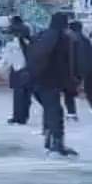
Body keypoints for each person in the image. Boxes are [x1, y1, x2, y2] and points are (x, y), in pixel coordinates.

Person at [28, 11, 79, 156]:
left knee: (51, 109)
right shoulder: (61, 38)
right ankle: (57, 144)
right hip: (48, 79)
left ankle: (50, 139)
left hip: (37, 79)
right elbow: (64, 63)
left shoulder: (43, 35)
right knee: (55, 111)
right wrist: (70, 83)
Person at [0, 17, 35, 126]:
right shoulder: (31, 42)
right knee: (26, 96)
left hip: (18, 70)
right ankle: (24, 116)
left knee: (18, 96)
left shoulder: (12, 45)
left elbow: (5, 60)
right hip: (30, 70)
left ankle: (18, 117)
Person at [65, 20, 92, 123]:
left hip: (78, 69)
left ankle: (71, 114)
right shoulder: (86, 40)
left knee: (68, 91)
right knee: (91, 92)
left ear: (70, 29)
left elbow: (74, 58)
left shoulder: (72, 40)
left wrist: (74, 73)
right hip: (91, 68)